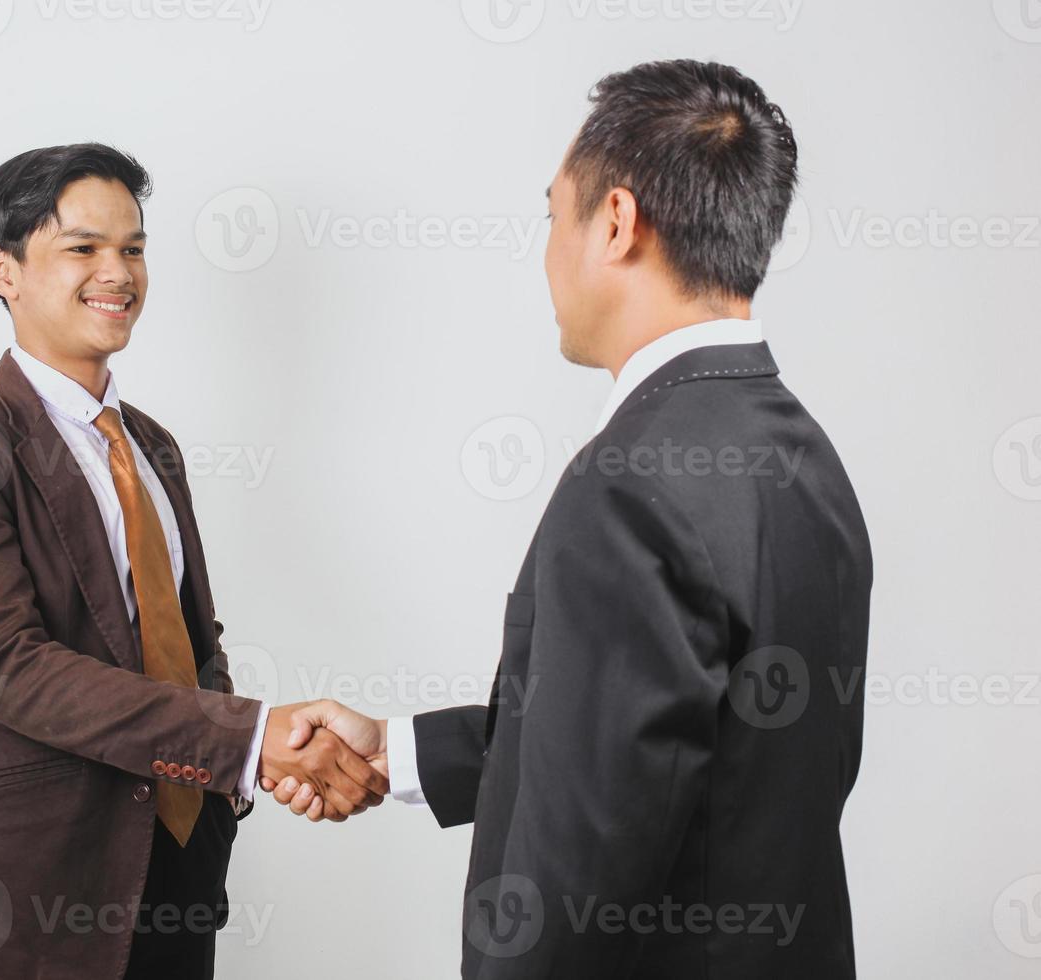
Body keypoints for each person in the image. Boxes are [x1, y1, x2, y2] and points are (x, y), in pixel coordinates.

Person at [269, 60, 872, 979]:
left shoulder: (629, 486)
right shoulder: (805, 454)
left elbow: (582, 857)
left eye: (553, 213)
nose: (547, 245)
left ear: (618, 222)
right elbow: (670, 744)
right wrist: (399, 753)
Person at [0, 143, 388, 980]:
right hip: (19, 895)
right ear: (2, 271)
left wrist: (232, 775)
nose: (118, 273)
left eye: (134, 248)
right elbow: (12, 670)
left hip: (174, 871)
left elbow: (192, 641)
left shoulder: (152, 445)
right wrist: (253, 739)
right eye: (82, 248)